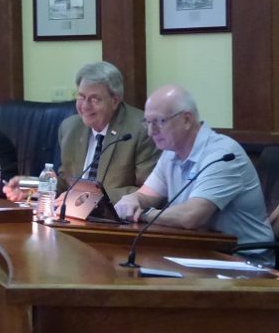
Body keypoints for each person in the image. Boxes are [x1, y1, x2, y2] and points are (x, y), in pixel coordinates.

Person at [114, 85, 274, 263]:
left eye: (159, 122)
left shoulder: (223, 154)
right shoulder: (170, 152)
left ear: (187, 119)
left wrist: (143, 214)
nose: (151, 132)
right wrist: (132, 200)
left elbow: (191, 216)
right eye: (148, 123)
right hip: (201, 251)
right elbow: (147, 194)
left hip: (245, 258)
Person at [5, 61, 159, 203]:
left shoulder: (140, 130)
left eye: (94, 99)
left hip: (116, 223)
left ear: (114, 101)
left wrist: (88, 197)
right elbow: (65, 183)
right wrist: (33, 187)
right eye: (81, 97)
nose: (85, 106)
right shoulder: (70, 128)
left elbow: (150, 192)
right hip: (74, 218)